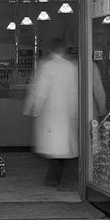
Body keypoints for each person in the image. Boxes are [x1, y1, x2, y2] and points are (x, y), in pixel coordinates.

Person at [23, 37, 79, 191]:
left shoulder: (46, 66)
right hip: (67, 114)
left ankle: (54, 179)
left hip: (51, 114)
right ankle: (64, 180)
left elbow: (39, 91)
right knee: (65, 148)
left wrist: (33, 109)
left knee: (56, 149)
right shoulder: (71, 67)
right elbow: (75, 92)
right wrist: (75, 111)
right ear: (64, 49)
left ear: (50, 50)